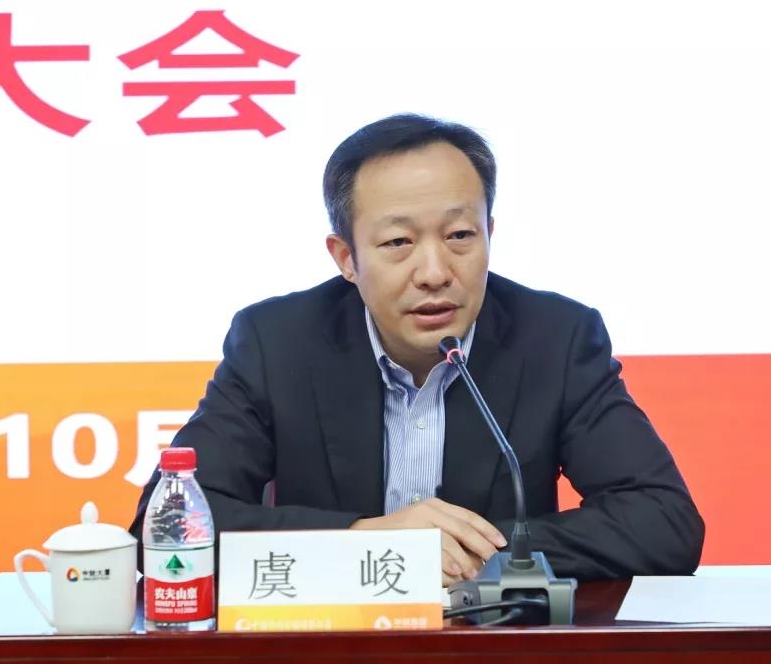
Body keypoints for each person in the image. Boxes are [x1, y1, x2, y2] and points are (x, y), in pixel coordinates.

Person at [129, 113, 705, 585]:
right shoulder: (277, 341)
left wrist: (467, 549)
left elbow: (665, 523)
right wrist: (364, 540)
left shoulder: (556, 337)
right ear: (347, 257)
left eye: (460, 236)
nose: (434, 272)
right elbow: (167, 523)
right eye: (398, 242)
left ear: (490, 234)